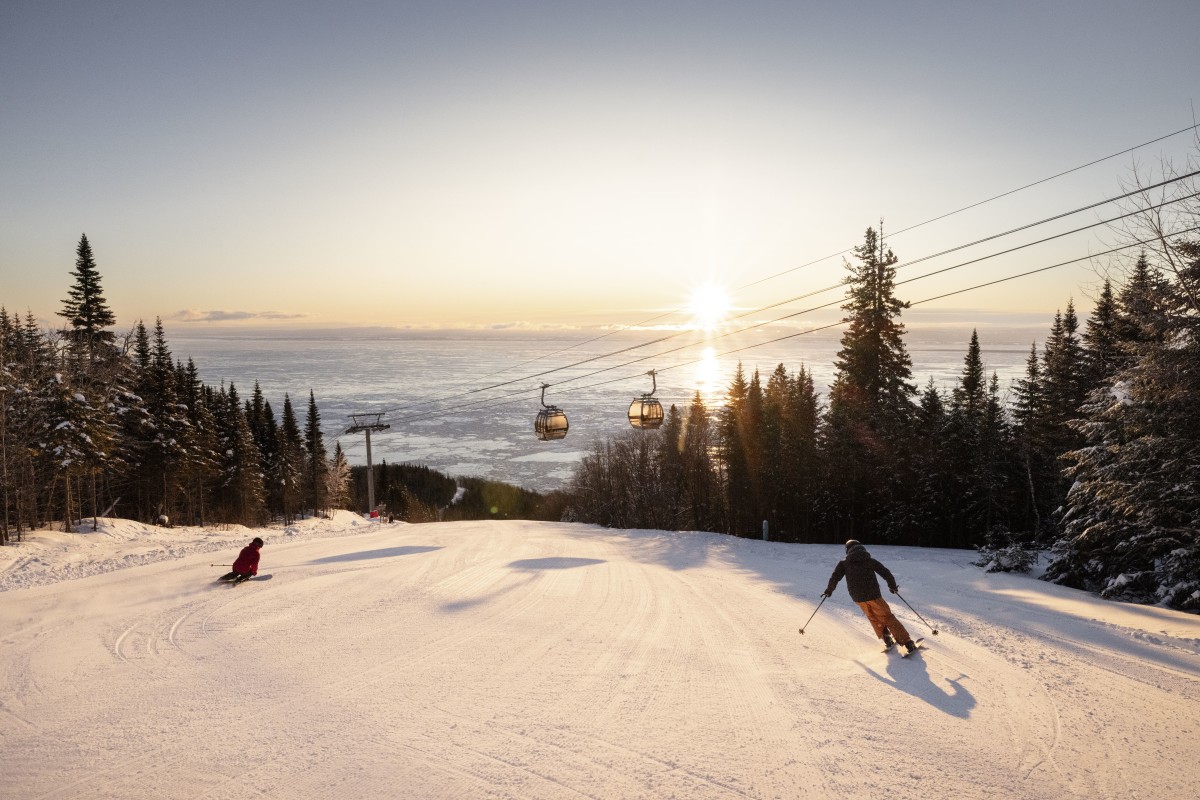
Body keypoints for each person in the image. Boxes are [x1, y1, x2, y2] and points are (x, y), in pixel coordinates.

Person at [823, 539, 917, 654]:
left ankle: (887, 639)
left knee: (873, 617)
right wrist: (892, 586)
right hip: (873, 595)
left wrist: (829, 590)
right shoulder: (869, 560)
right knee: (887, 617)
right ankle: (908, 643)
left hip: (858, 598)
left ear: (848, 550)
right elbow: (885, 572)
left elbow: (835, 578)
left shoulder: (844, 563)